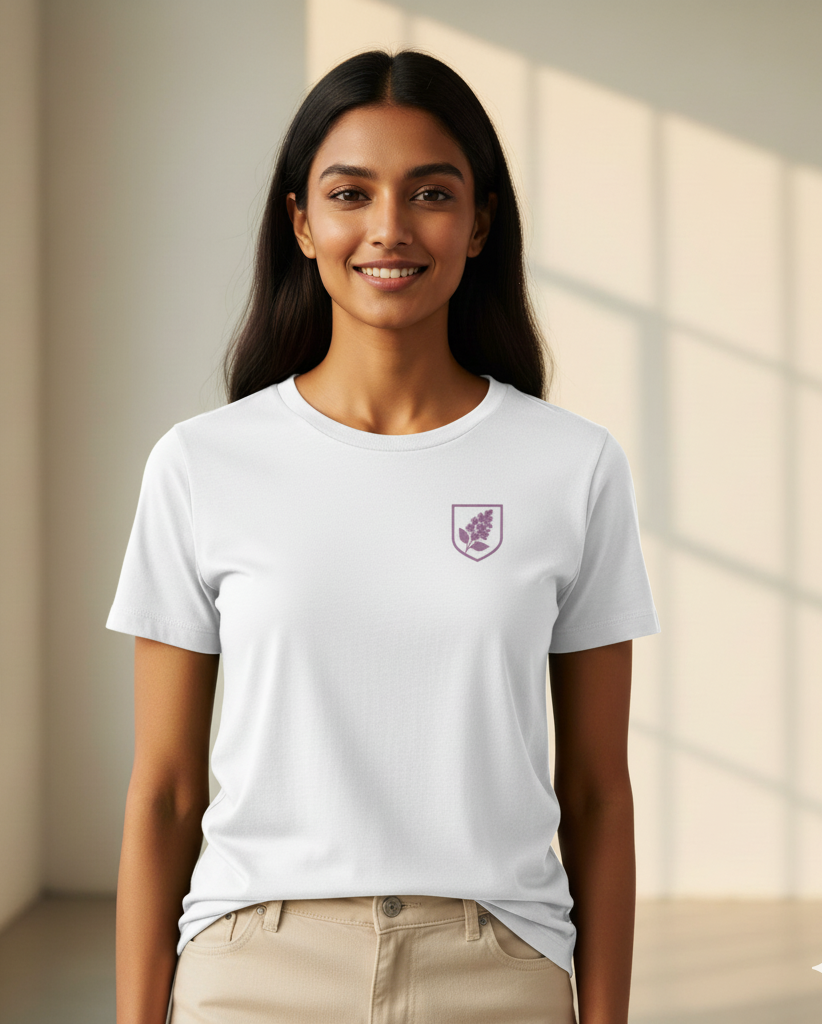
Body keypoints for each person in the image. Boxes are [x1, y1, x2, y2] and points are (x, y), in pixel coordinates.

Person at [108, 49, 659, 1024]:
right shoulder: (201, 465)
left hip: (497, 967)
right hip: (252, 967)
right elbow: (164, 790)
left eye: (431, 193)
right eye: (350, 193)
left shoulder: (572, 467)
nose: (389, 229)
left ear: (480, 221)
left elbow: (597, 792)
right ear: (302, 222)